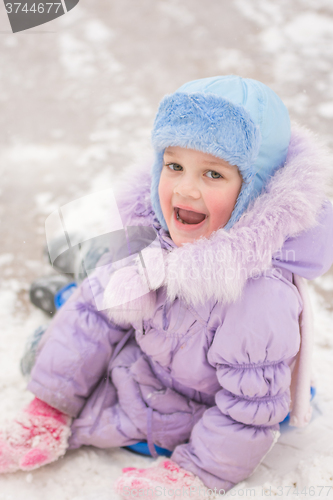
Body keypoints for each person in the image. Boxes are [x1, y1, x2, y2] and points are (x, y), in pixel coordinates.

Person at [1, 76, 333, 497]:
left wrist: (197, 473)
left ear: (255, 190)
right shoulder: (153, 229)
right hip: (152, 354)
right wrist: (47, 407)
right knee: (86, 300)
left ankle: (70, 280)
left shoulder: (259, 298)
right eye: (174, 166)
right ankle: (70, 282)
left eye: (213, 173)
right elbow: (92, 314)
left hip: (192, 400)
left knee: (40, 347)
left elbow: (250, 409)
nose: (186, 189)